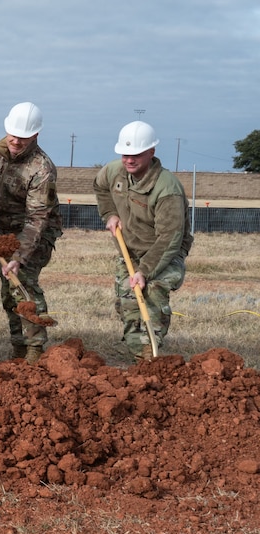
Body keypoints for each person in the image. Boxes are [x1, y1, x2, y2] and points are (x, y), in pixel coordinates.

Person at [93, 120, 193, 362]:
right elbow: (100, 186)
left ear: (151, 152)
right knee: (127, 300)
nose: (129, 160)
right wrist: (110, 214)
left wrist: (145, 272)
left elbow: (170, 238)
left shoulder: (167, 189)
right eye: (125, 154)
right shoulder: (114, 171)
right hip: (130, 248)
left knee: (152, 295)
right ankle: (137, 353)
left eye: (136, 154)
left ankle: (150, 356)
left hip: (164, 252)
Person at [0, 102, 63, 362]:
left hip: (37, 231)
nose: (15, 140)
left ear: (35, 135)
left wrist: (18, 255)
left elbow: (37, 218)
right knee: (7, 287)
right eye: (12, 134)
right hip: (4, 228)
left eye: (22, 137)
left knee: (22, 280)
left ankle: (35, 348)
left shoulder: (42, 168)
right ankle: (18, 345)